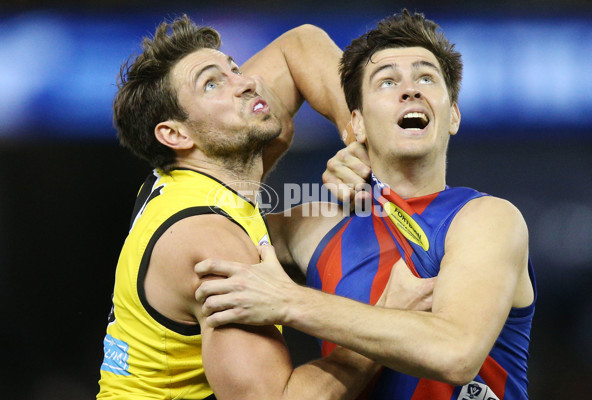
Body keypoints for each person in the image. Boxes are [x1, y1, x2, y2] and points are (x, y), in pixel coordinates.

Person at [195, 9, 536, 399]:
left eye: (427, 77)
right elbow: (207, 204)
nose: (411, 90)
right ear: (355, 121)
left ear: (453, 115)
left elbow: (455, 352)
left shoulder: (487, 219)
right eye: (387, 81)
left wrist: (289, 302)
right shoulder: (310, 227)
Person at [96, 14, 436, 400]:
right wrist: (387, 320)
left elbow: (300, 45)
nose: (247, 83)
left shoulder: (204, 157)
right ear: (175, 134)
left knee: (307, 219)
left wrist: (362, 140)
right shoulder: (211, 244)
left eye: (234, 68)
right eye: (212, 83)